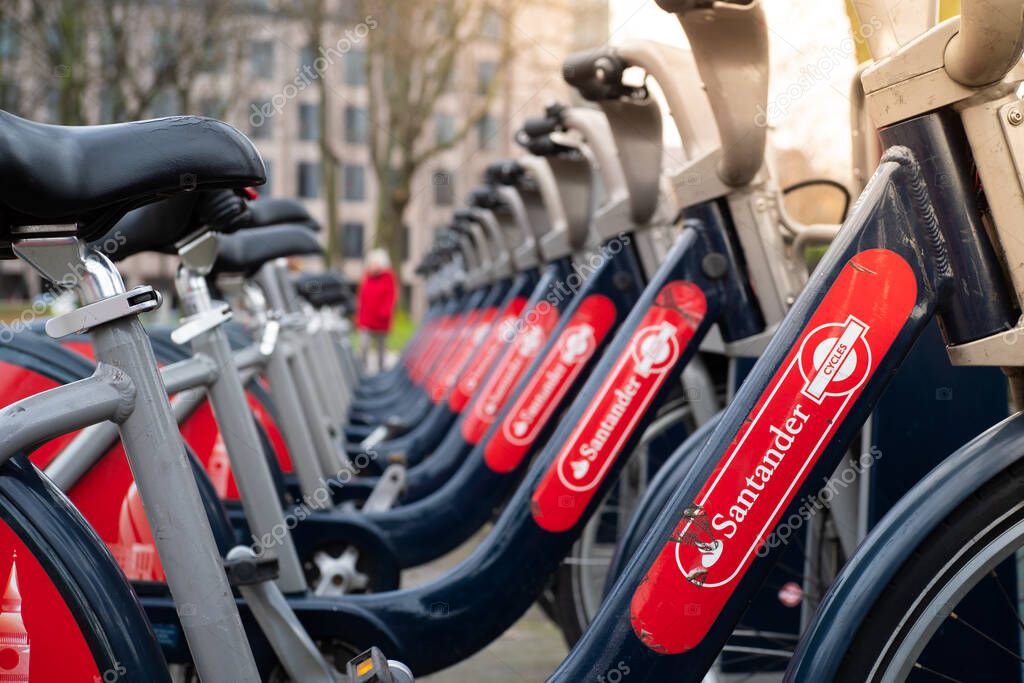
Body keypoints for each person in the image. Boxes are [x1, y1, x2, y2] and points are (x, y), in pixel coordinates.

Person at [355, 248, 397, 373]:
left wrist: (385, 311)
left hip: (381, 318)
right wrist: (359, 314)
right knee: (364, 344)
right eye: (371, 263)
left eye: (375, 263)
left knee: (381, 346)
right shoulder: (367, 277)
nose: (373, 266)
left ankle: (381, 369)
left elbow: (390, 295)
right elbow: (362, 295)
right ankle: (362, 368)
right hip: (366, 317)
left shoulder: (388, 277)